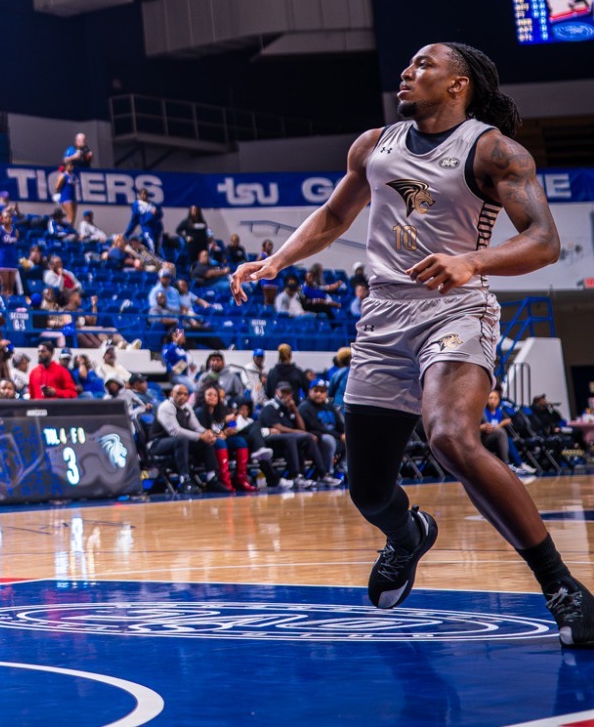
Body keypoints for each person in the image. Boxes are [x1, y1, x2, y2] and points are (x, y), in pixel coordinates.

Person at [232, 42, 588, 641]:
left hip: (455, 308)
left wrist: (472, 261)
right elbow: (333, 218)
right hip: (383, 318)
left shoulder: (493, 149)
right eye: (408, 63)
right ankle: (408, 534)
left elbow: (545, 241)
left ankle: (562, 587)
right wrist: (277, 261)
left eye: (425, 65)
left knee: (451, 436)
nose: (408, 71)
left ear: (459, 85)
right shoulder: (374, 145)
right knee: (368, 489)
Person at [153, 384, 218, 490]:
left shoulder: (187, 407)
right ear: (171, 394)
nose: (182, 396)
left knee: (205, 442)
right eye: (179, 393)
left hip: (178, 442)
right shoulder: (166, 407)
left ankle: (211, 478)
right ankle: (185, 480)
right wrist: (200, 436)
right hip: (156, 443)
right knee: (182, 440)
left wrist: (208, 434)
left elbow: (196, 426)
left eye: (185, 394)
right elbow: (175, 432)